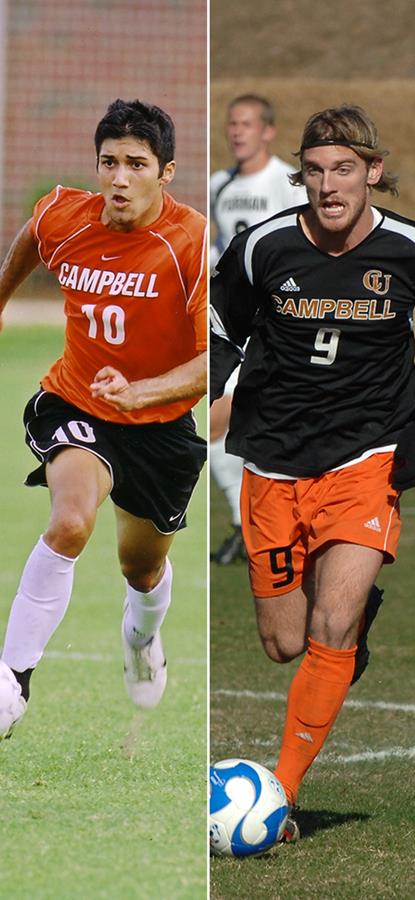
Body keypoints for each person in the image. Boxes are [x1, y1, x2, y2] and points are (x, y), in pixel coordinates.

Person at [209, 105, 415, 827]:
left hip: (366, 458)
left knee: (331, 629)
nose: (327, 186)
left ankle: (279, 795)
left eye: (343, 169)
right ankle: (346, 623)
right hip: (274, 460)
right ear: (299, 176)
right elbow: (218, 330)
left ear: (372, 172)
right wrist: (214, 391)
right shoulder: (260, 248)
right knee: (285, 644)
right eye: (313, 171)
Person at [0, 99, 207, 737]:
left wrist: (142, 394)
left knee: (141, 569)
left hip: (159, 427)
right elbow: (34, 235)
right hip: (76, 401)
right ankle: (10, 683)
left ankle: (143, 638)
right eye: (108, 162)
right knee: (69, 521)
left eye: (136, 164)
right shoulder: (66, 213)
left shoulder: (192, 244)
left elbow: (216, 359)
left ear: (165, 172)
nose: (119, 178)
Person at [208, 94, 304, 565]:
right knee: (214, 425)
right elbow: (216, 249)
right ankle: (249, 527)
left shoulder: (288, 182)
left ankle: (265, 529)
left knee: (237, 423)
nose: (237, 131)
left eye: (247, 124)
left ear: (267, 131)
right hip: (237, 323)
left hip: (281, 324)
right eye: (232, 123)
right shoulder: (218, 186)